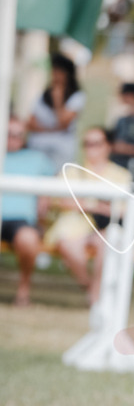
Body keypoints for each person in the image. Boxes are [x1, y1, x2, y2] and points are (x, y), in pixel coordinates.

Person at [44, 126, 131, 304]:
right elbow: (58, 201)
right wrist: (97, 205)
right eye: (87, 144)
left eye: (96, 143)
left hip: (104, 227)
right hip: (75, 226)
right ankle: (92, 289)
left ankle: (95, 294)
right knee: (68, 243)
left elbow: (127, 209)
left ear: (108, 146)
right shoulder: (72, 171)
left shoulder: (121, 175)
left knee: (107, 243)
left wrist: (85, 205)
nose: (91, 148)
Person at [1, 116, 54, 306]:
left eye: (18, 134)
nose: (13, 138)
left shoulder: (37, 159)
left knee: (28, 239)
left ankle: (23, 289)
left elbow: (50, 187)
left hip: (20, 221)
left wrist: (44, 201)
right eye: (8, 134)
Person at [26, 52, 86, 170]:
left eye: (59, 72)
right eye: (54, 71)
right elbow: (30, 123)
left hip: (61, 152)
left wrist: (58, 101)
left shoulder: (77, 96)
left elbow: (63, 123)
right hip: (38, 148)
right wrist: (52, 130)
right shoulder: (42, 95)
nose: (55, 75)